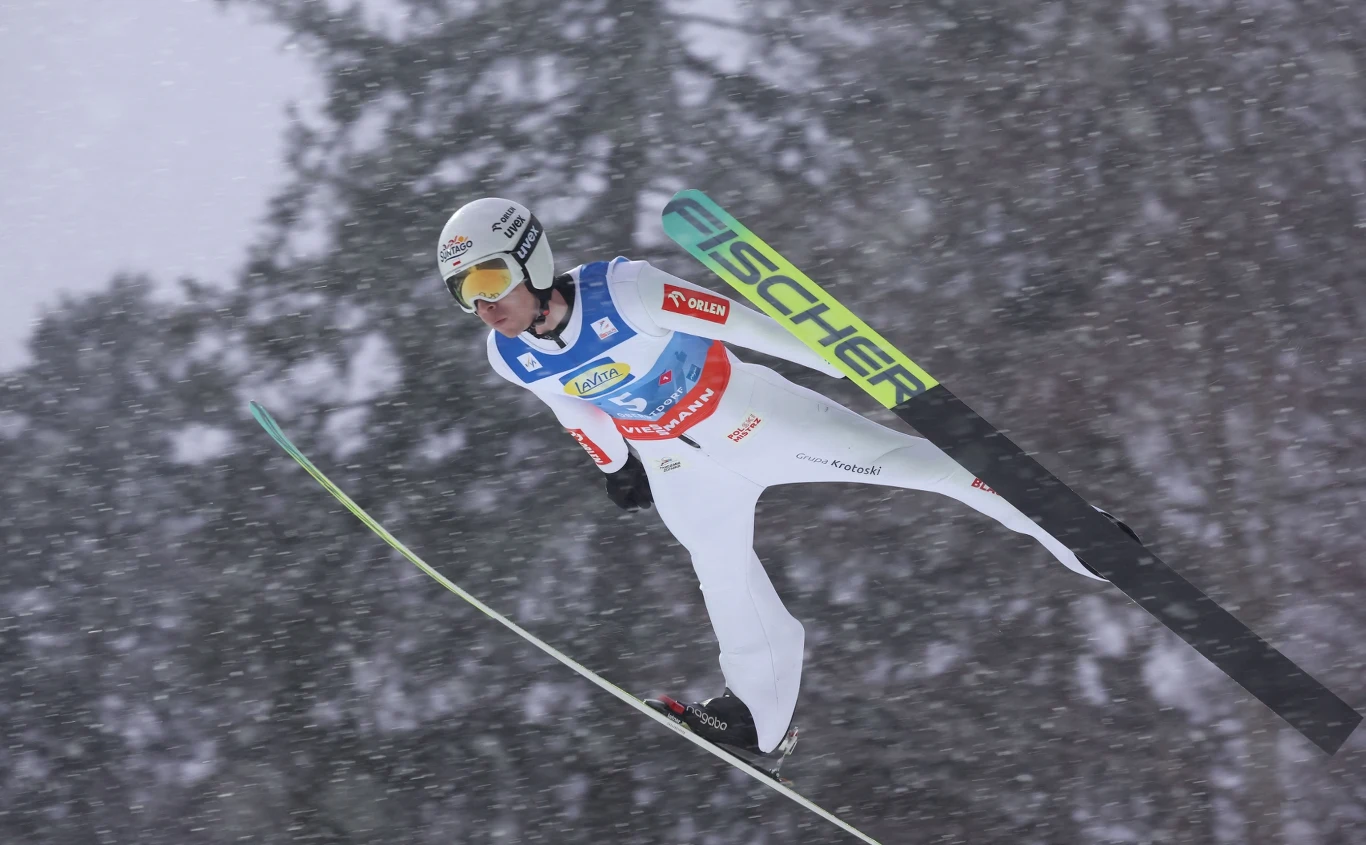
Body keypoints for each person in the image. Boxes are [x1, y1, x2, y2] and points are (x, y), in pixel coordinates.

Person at [437, 197, 1130, 764]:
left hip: (753, 420)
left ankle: (1076, 532)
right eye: (465, 293)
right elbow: (572, 405)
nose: (485, 305)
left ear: (532, 260)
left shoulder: (629, 292)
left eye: (490, 281)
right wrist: (617, 467)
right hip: (678, 467)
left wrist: (856, 365)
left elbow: (754, 324)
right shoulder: (510, 356)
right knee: (723, 577)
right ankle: (757, 718)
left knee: (919, 465)